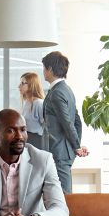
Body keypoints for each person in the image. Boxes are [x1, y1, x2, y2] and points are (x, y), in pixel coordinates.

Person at [42, 51, 88, 193]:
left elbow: (68, 123)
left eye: (44, 68)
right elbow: (77, 121)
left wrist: (76, 146)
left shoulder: (57, 92)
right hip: (64, 151)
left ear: (50, 69)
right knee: (57, 193)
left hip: (59, 151)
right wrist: (76, 146)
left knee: (63, 195)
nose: (43, 72)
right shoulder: (66, 90)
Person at [18, 72, 47, 150]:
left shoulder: (39, 103)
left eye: (22, 83)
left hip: (36, 142)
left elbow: (46, 126)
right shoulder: (26, 103)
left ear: (31, 85)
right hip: (26, 140)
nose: (19, 86)